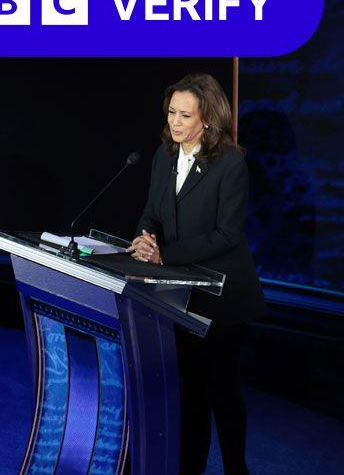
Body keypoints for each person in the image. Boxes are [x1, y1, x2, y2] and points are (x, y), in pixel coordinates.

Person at [128, 73, 266, 474]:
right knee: (190, 390)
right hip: (178, 293)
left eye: (185, 115)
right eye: (172, 112)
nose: (175, 122)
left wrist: (163, 256)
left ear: (207, 119)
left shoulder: (230, 164)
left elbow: (227, 234)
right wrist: (144, 241)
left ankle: (237, 469)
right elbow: (152, 213)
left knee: (220, 390)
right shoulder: (164, 155)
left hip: (222, 297)